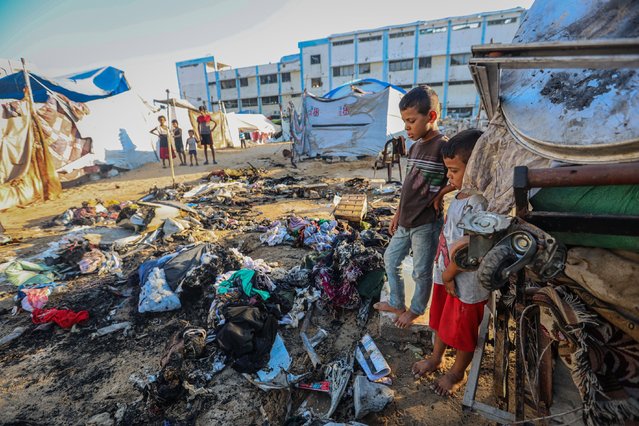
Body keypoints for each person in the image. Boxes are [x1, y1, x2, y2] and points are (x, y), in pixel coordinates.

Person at [412, 129, 490, 397]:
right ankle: (436, 357)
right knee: (443, 319)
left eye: (454, 171)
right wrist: (444, 273)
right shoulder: (459, 196)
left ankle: (457, 372)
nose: (449, 176)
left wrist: (448, 274)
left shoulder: (479, 204)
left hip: (464, 280)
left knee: (464, 329)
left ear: (476, 166)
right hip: (446, 273)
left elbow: (473, 248)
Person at [374, 86, 449, 328]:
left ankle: (416, 309)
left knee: (421, 271)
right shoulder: (415, 146)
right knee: (390, 258)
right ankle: (397, 301)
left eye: (412, 121)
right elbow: (409, 183)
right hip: (406, 218)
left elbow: (462, 178)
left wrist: (442, 195)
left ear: (432, 117)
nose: (407, 127)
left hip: (426, 222)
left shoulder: (443, 146)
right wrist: (397, 213)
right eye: (404, 121)